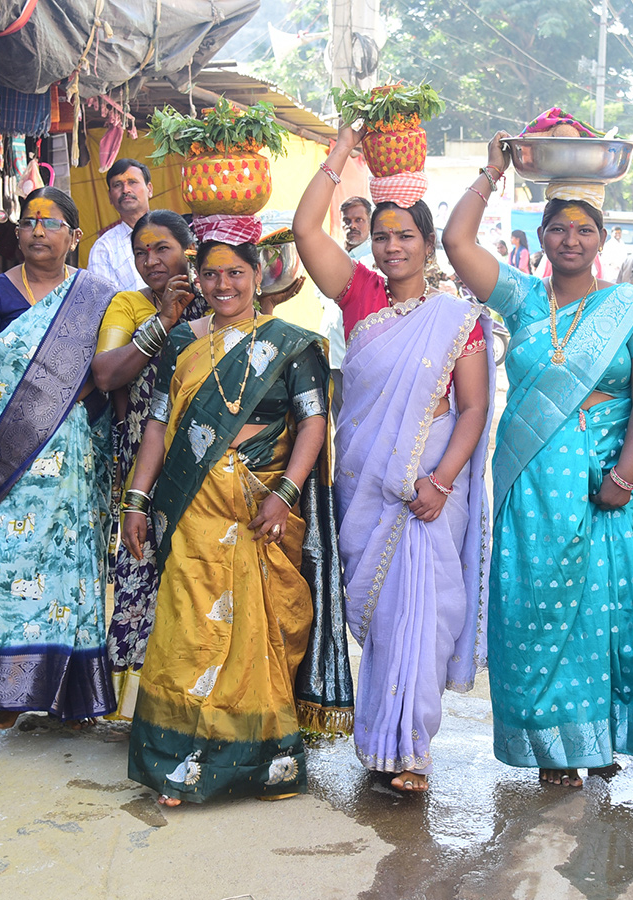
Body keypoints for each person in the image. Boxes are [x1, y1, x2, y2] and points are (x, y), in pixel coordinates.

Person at [443, 133, 633, 786]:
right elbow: (457, 245)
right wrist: (493, 171)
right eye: (559, 228)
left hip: (605, 486)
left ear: (600, 240)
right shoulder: (521, 298)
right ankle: (553, 746)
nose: (570, 240)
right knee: (533, 612)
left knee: (599, 614)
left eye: (583, 229)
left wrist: (624, 477)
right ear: (543, 234)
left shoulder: (631, 307)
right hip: (529, 488)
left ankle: (598, 739)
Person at [121, 223, 351, 806]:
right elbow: (155, 425)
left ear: (257, 277)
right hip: (192, 505)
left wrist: (288, 493)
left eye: (235, 274)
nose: (223, 285)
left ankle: (261, 761)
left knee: (261, 630)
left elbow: (312, 425)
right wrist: (137, 498)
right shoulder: (182, 343)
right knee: (188, 626)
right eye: (212, 275)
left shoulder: (293, 345)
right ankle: (178, 761)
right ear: (197, 280)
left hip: (260, 506)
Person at [294, 124, 493, 794]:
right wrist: (344, 148)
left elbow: (472, 409)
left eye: (406, 235)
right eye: (382, 236)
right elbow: (303, 230)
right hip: (370, 481)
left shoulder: (454, 314)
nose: (392, 246)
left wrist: (441, 480)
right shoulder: (359, 295)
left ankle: (412, 749)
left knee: (424, 612)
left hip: (434, 482)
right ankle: (380, 740)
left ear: (429, 243)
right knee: (382, 617)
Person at [0, 187, 118, 729]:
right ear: (16, 234)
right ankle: (9, 691)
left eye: (50, 223)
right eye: (28, 222)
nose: (38, 231)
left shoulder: (97, 296)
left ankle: (74, 694)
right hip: (5, 458)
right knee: (2, 566)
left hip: (74, 460)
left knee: (70, 570)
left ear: (74, 235)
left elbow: (109, 376)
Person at [92, 210, 207, 718]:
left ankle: (196, 697)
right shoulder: (130, 304)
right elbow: (106, 375)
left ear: (189, 249)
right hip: (143, 460)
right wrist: (163, 319)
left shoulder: (218, 301)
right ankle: (141, 706)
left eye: (163, 248)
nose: (151, 260)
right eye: (142, 252)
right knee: (143, 567)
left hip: (206, 464)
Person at [318, 196, 373, 409]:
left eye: (359, 220)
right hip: (333, 355)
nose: (353, 225)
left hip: (362, 360)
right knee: (339, 424)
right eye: (347, 221)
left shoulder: (374, 262)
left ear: (370, 222)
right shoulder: (334, 258)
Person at [86, 158, 153, 292]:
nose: (125, 190)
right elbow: (104, 303)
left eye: (132, 182)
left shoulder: (171, 229)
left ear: (149, 189)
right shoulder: (104, 248)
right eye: (117, 185)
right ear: (110, 197)